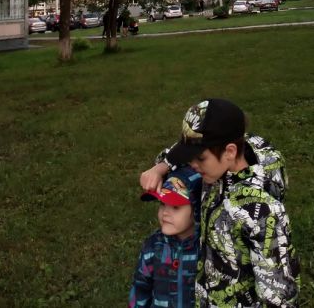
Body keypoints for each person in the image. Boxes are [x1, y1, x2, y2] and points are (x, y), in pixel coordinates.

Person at [141, 98, 300, 308]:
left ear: (230, 151)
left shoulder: (262, 212)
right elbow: (181, 152)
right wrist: (160, 168)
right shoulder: (225, 160)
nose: (192, 165)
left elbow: (280, 297)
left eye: (200, 159)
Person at [129, 166, 202, 308]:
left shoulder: (206, 248)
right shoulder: (153, 245)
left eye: (175, 207)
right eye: (163, 204)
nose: (165, 213)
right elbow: (140, 288)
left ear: (197, 210)